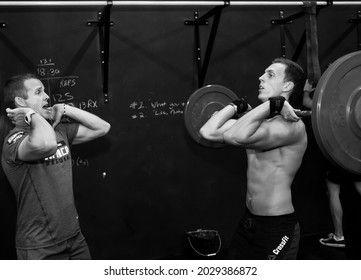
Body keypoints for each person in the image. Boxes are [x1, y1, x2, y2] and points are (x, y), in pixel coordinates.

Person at [199, 57, 307, 259]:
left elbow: (233, 136)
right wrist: (235, 106)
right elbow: (207, 132)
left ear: (287, 85)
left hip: (276, 227)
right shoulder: (258, 122)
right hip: (249, 222)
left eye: (270, 74)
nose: (261, 77)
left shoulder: (291, 126)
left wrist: (271, 106)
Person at [1, 73, 111, 260]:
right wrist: (31, 114)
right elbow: (46, 145)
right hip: (40, 246)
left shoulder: (58, 129)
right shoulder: (14, 141)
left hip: (74, 238)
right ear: (20, 101)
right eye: (38, 92)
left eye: (45, 91)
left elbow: (102, 127)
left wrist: (65, 108)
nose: (47, 96)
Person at [303, 80, 361, 248]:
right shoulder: (353, 96)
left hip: (340, 152)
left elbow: (307, 103)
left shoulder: (331, 101)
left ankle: (339, 236)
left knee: (333, 190)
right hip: (356, 152)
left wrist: (307, 91)